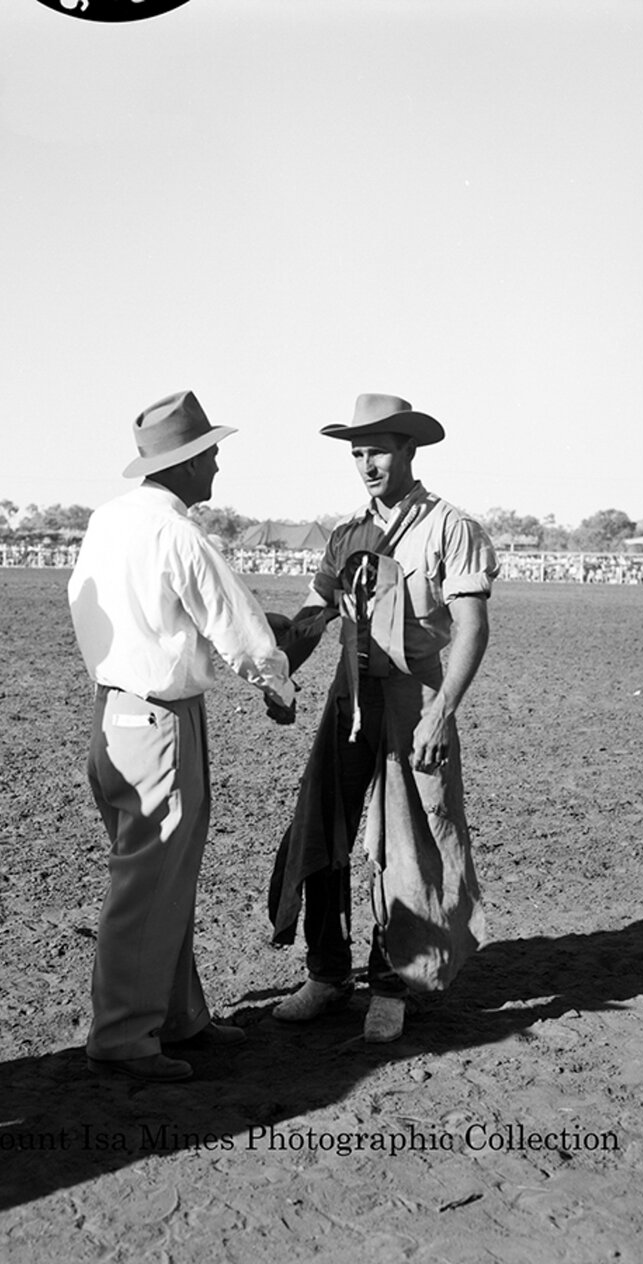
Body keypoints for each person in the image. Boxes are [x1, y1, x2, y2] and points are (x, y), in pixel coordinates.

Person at [68, 389, 296, 1083]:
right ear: (189, 463)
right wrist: (276, 683)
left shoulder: (107, 521)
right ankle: (124, 1035)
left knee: (162, 877)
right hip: (161, 717)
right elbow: (236, 623)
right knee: (151, 880)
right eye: (213, 455)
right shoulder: (177, 532)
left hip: (115, 710)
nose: (219, 468)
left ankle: (177, 1016)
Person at [267, 393, 498, 1043]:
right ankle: (327, 972)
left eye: (377, 450)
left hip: (416, 705)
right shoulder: (347, 534)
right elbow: (315, 614)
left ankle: (391, 986)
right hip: (348, 703)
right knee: (320, 832)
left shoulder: (451, 527)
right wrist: (280, 667)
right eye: (357, 452)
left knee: (403, 849)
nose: (366, 463)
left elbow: (473, 629)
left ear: (408, 451)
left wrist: (441, 713)